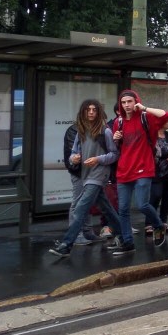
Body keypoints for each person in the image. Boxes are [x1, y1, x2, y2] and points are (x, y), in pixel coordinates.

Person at [49, 100, 122, 258]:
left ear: (98, 113)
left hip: (99, 174)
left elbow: (114, 154)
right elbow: (73, 154)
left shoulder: (105, 131)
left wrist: (98, 159)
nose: (91, 112)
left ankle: (66, 245)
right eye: (88, 110)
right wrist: (73, 159)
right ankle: (125, 236)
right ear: (82, 112)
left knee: (80, 208)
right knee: (107, 208)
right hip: (86, 175)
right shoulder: (80, 132)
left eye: (94, 110)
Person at [109, 89, 168, 255]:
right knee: (123, 209)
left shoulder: (145, 117)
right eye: (124, 102)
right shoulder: (118, 122)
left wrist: (144, 108)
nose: (127, 105)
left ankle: (158, 225)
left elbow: (165, 115)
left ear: (135, 101)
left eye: (130, 101)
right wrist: (116, 139)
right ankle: (128, 242)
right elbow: (118, 148)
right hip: (124, 170)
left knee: (142, 204)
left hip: (144, 167)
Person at [62, 121, 99, 245]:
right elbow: (79, 153)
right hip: (79, 172)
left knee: (86, 202)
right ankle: (76, 235)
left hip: (90, 171)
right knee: (77, 202)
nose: (91, 113)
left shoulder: (94, 129)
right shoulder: (74, 130)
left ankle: (87, 231)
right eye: (89, 111)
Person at [147, 127, 168, 235]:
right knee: (155, 196)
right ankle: (149, 223)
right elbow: (156, 151)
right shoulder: (152, 135)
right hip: (157, 172)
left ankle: (163, 221)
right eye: (167, 120)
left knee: (167, 198)